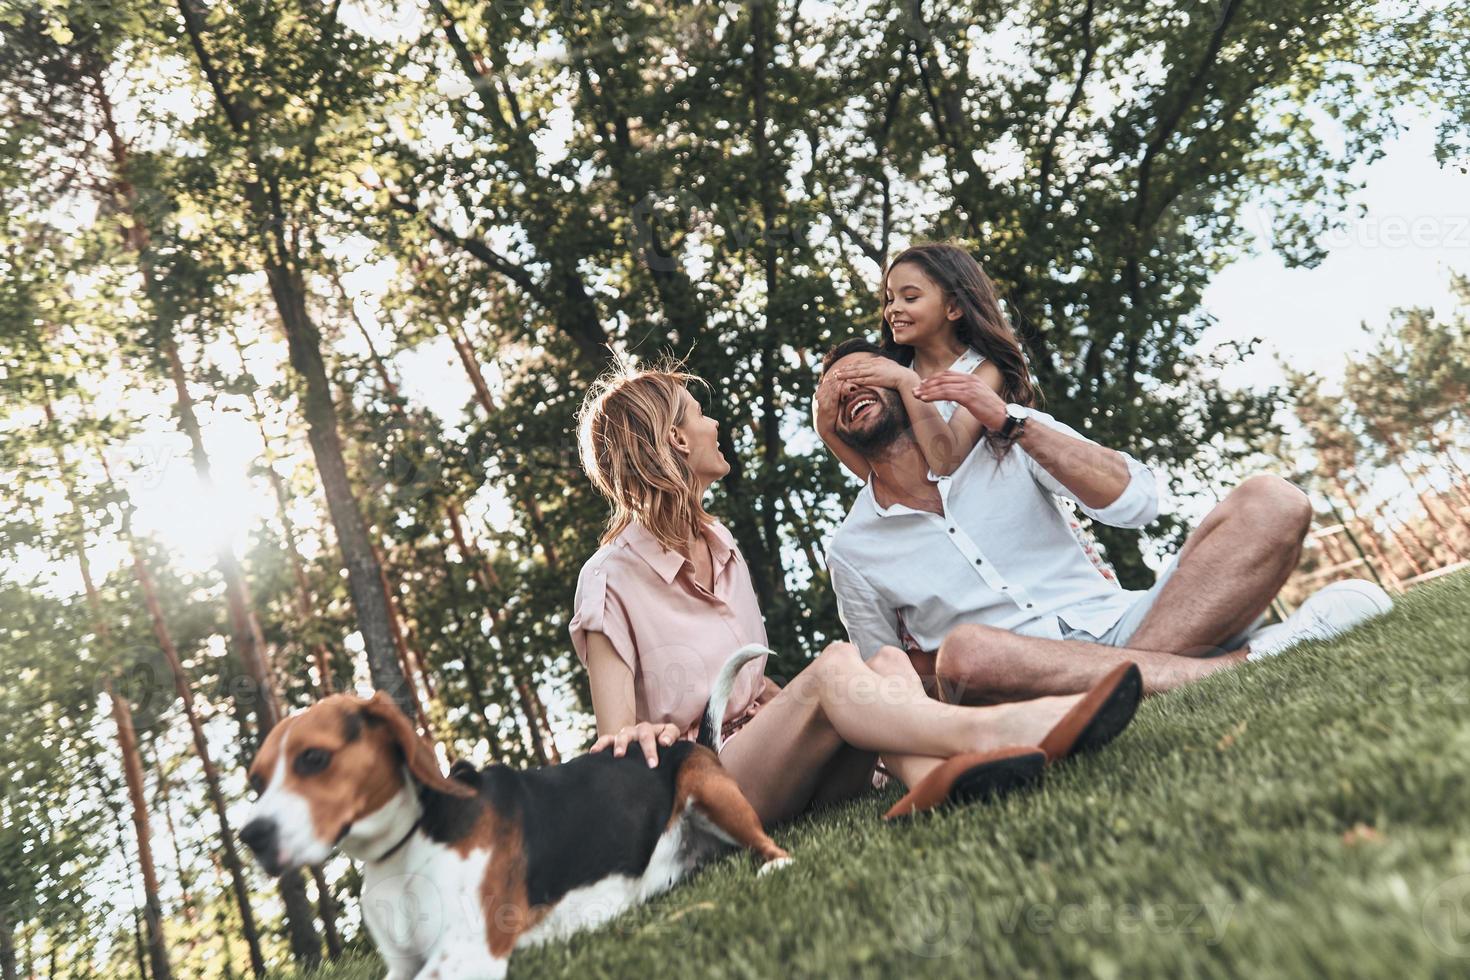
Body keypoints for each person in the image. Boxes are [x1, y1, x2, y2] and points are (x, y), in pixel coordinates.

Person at [569, 361, 1142, 824]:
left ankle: (932, 782)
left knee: (885, 660)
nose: (715, 427)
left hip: (773, 765)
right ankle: (998, 732)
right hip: (698, 792)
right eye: (700, 416)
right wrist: (641, 733)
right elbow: (616, 740)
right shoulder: (608, 579)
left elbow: (745, 682)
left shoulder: (722, 545)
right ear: (674, 437)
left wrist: (794, 703)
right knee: (836, 665)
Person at [818, 338, 1394, 704]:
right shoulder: (852, 547)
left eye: (865, 374)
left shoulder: (1006, 440)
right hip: (1018, 681)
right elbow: (889, 671)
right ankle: (1245, 663)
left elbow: (1138, 503)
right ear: (829, 426)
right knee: (967, 652)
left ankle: (1128, 688)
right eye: (832, 394)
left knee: (1274, 500)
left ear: (908, 383)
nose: (849, 391)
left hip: (1121, 622)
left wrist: (1015, 422)